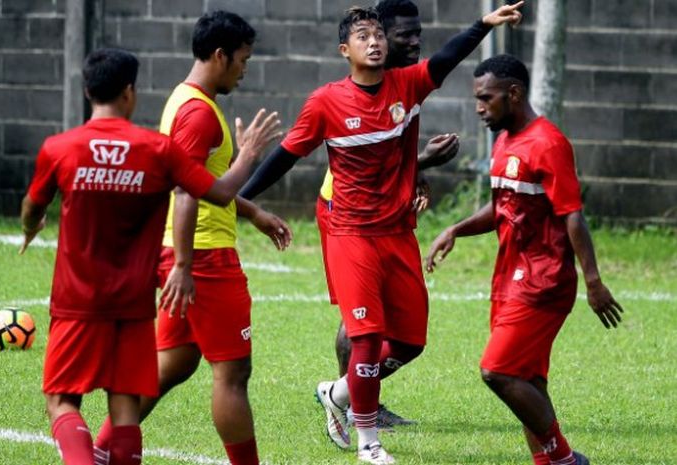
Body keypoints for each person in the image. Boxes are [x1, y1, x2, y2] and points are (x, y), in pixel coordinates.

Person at [239, 4, 524, 463]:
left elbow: (446, 60)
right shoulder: (325, 102)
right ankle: (369, 444)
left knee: (410, 340)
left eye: (378, 34)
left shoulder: (407, 86)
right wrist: (241, 198)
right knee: (366, 336)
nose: (374, 41)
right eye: (362, 36)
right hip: (350, 232)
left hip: (397, 232)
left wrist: (483, 25)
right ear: (344, 50)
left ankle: (338, 393)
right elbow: (285, 157)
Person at [19, 47, 280, 465]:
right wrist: (248, 156)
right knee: (125, 411)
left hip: (77, 299)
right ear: (130, 93)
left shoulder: (60, 148)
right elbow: (209, 191)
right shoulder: (157, 151)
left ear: (86, 91)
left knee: (63, 401)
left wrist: (32, 228)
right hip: (135, 299)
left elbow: (33, 207)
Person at [91, 12, 292, 465]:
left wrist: (253, 211)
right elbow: (186, 192)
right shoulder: (199, 114)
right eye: (243, 59)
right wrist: (248, 157)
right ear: (220, 55)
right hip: (202, 259)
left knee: (175, 363)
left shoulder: (184, 98)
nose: (245, 69)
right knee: (233, 373)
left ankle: (103, 449)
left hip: (187, 252)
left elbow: (197, 181)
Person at [425, 54, 624, 465]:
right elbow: (502, 207)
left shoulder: (549, 143)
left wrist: (593, 281)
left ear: (513, 94)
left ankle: (566, 459)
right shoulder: (503, 142)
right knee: (528, 379)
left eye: (486, 98)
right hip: (510, 277)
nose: (479, 107)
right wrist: (456, 229)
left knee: (498, 371)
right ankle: (547, 462)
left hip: (544, 281)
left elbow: (573, 215)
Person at [329, 0, 460, 429]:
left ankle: (346, 393)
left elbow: (392, 145)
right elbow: (367, 154)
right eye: (403, 33)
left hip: (388, 209)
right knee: (363, 319)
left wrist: (416, 173)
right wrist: (424, 163)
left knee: (400, 332)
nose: (414, 39)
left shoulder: (407, 80)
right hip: (346, 209)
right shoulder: (368, 81)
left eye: (417, 31)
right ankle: (353, 403)